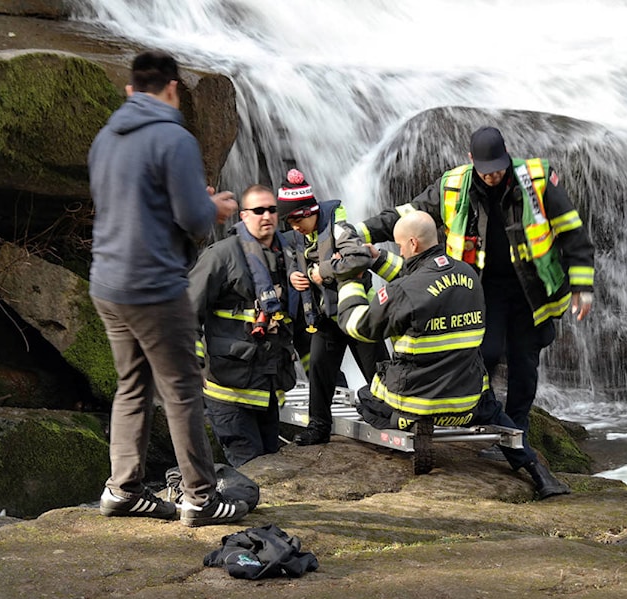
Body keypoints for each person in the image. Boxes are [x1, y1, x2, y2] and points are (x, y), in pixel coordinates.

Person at [357, 126, 595, 461]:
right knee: (484, 353)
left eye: (499, 168)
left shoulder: (536, 180)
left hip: (533, 292)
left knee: (525, 362)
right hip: (483, 291)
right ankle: (487, 422)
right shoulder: (454, 185)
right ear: (471, 161)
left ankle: (517, 432)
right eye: (486, 170)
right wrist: (360, 232)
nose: (494, 176)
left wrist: (582, 287)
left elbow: (572, 231)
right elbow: (409, 215)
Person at [87, 50, 248, 526]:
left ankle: (123, 489)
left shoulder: (104, 138)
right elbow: (193, 220)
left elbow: (124, 203)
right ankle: (200, 498)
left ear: (130, 90)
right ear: (174, 89)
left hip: (107, 282)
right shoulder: (173, 138)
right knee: (181, 391)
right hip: (153, 286)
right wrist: (213, 207)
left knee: (132, 385)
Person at [337, 211, 570, 499]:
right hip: (468, 403)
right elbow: (421, 282)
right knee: (497, 411)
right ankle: (541, 475)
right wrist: (377, 258)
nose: (398, 251)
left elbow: (358, 327)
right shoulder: (468, 274)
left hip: (418, 402)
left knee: (365, 398)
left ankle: (412, 426)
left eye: (399, 246)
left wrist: (349, 280)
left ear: (412, 244)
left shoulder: (405, 290)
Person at [280, 168, 398, 446]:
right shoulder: (300, 236)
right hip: (326, 315)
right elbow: (297, 268)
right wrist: (296, 278)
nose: (293, 226)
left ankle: (394, 419)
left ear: (310, 211)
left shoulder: (339, 227)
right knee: (319, 371)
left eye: (296, 219)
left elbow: (358, 259)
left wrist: (322, 272)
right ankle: (318, 427)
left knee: (379, 373)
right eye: (288, 220)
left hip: (359, 313)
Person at [187, 184, 299, 467]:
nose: (266, 216)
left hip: (269, 390)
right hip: (230, 392)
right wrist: (195, 365)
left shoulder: (287, 255)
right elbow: (186, 312)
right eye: (258, 210)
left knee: (269, 468)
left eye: (272, 210)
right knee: (249, 469)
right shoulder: (221, 256)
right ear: (244, 215)